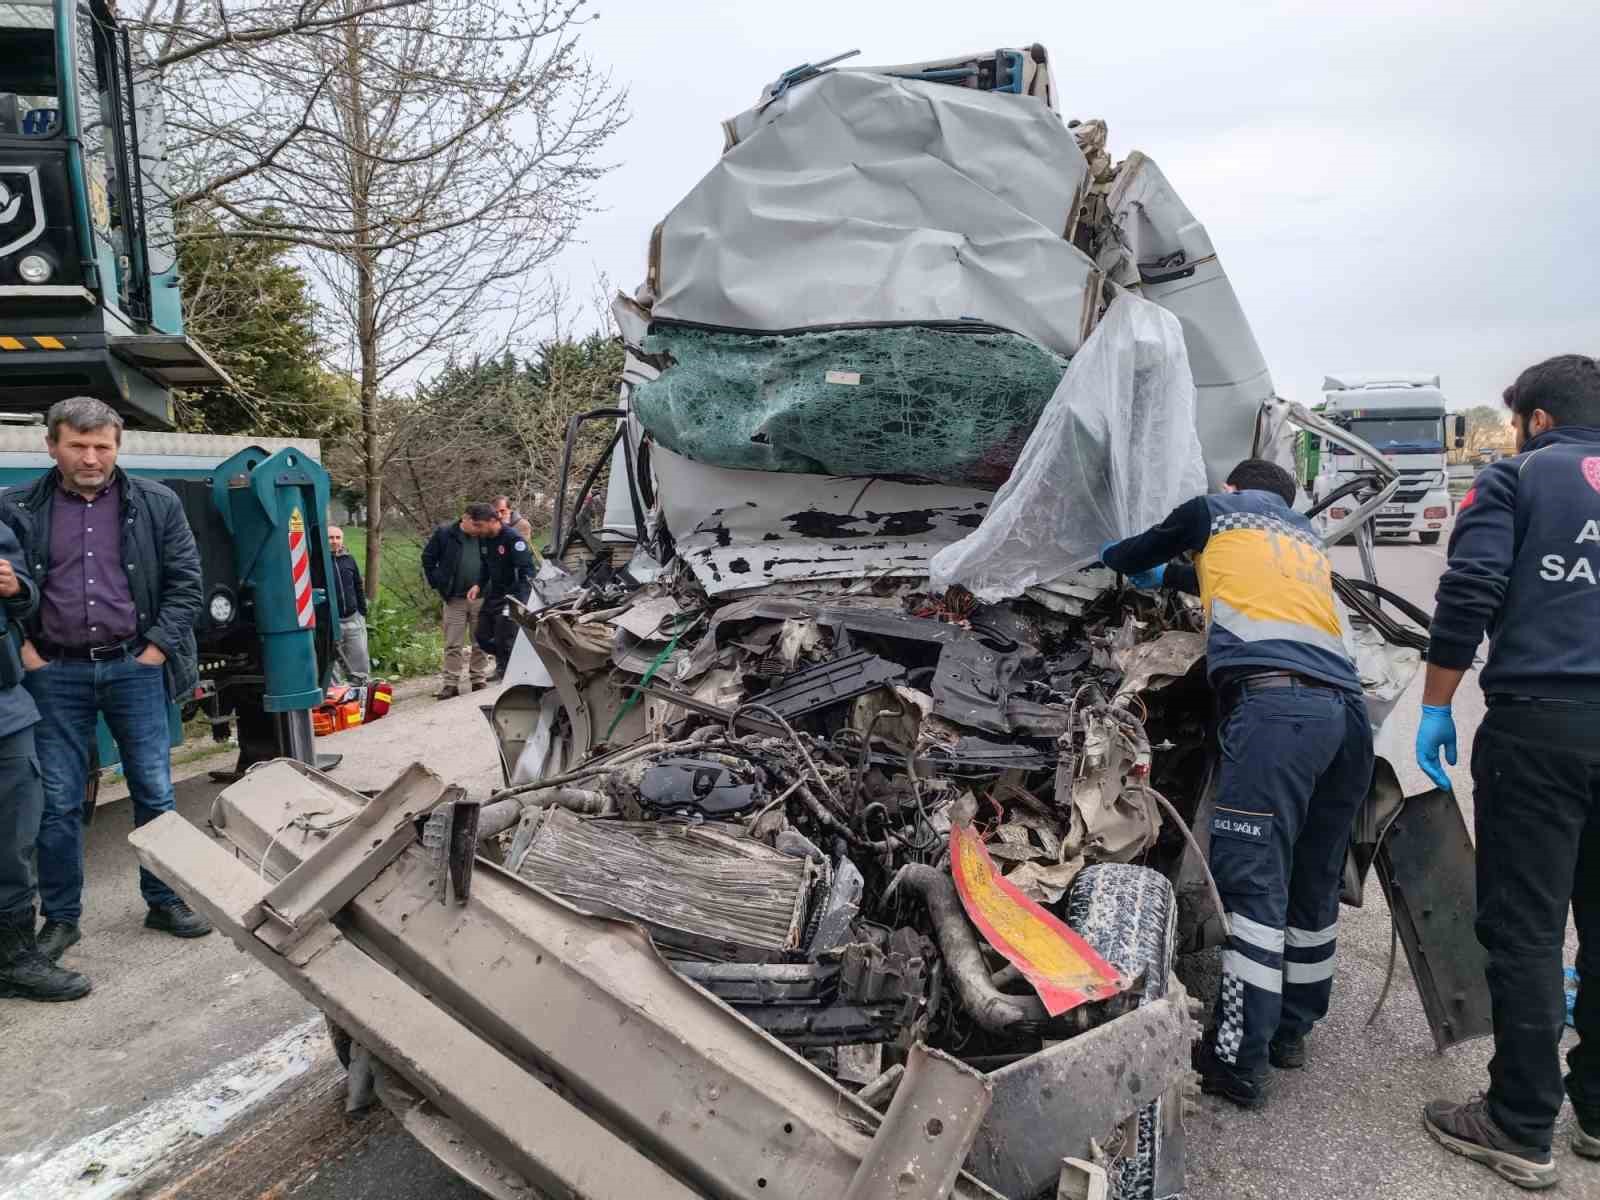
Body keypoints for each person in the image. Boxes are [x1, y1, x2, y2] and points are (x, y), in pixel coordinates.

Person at [1100, 457, 1373, 1110]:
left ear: (1230, 489)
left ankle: (1236, 1060)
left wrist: (1114, 556)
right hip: (1348, 719)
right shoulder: (1300, 538)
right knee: (1313, 874)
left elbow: (1125, 553)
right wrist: (1169, 573)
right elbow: (1201, 575)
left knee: (1252, 882)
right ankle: (1290, 1032)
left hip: (1278, 712)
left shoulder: (1211, 512)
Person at [1417, 354, 1600, 1191]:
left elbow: (1472, 588)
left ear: (1534, 419)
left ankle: (1519, 1124)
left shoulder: (1516, 480)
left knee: (1527, 928)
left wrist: (1435, 704)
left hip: (1541, 730)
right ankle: (1596, 1112)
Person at [0, 396, 209, 961]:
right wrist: (29, 654)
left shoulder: (157, 503)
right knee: (60, 802)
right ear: (51, 446)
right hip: (53, 673)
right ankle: (62, 918)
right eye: (78, 445)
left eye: (102, 446)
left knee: (154, 789)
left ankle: (165, 899)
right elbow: (8, 594)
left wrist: (155, 652)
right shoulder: (16, 506)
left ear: (117, 447)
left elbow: (186, 584)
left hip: (133, 668)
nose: (91, 457)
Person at [0, 521, 91, 1001]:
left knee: (14, 842)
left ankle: (14, 962)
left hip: (5, 710)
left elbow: (27, 601)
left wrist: (17, 589)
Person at [421, 503, 500, 698]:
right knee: (453, 643)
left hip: (482, 597)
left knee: (479, 641)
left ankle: (478, 678)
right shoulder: (445, 534)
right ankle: (450, 683)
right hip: (454, 597)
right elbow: (428, 558)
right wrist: (438, 582)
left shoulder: (486, 535)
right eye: (475, 526)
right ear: (465, 519)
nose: (478, 530)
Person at [475, 516, 536, 682]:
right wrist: (478, 585)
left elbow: (527, 571)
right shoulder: (484, 540)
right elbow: (485, 567)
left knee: (503, 633)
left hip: (514, 593)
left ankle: (507, 668)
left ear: (493, 520)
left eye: (480, 524)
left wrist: (521, 599)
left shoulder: (513, 538)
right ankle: (511, 656)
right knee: (481, 635)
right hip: (495, 592)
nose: (478, 530)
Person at [327, 526, 370, 683]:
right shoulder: (319, 562)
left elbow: (358, 585)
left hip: (353, 618)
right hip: (332, 622)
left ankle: (361, 693)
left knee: (360, 659)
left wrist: (362, 611)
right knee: (331, 666)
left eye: (338, 538)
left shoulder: (349, 559)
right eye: (331, 538)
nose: (335, 541)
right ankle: (335, 700)